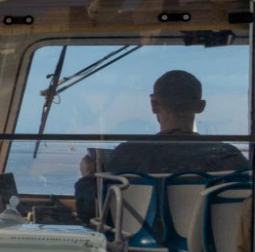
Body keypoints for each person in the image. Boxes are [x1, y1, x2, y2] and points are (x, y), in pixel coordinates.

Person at [76, 70, 249, 224]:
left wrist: (88, 177)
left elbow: (92, 212)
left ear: (154, 106)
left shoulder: (126, 154)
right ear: (201, 106)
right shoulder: (228, 157)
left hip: (136, 251)